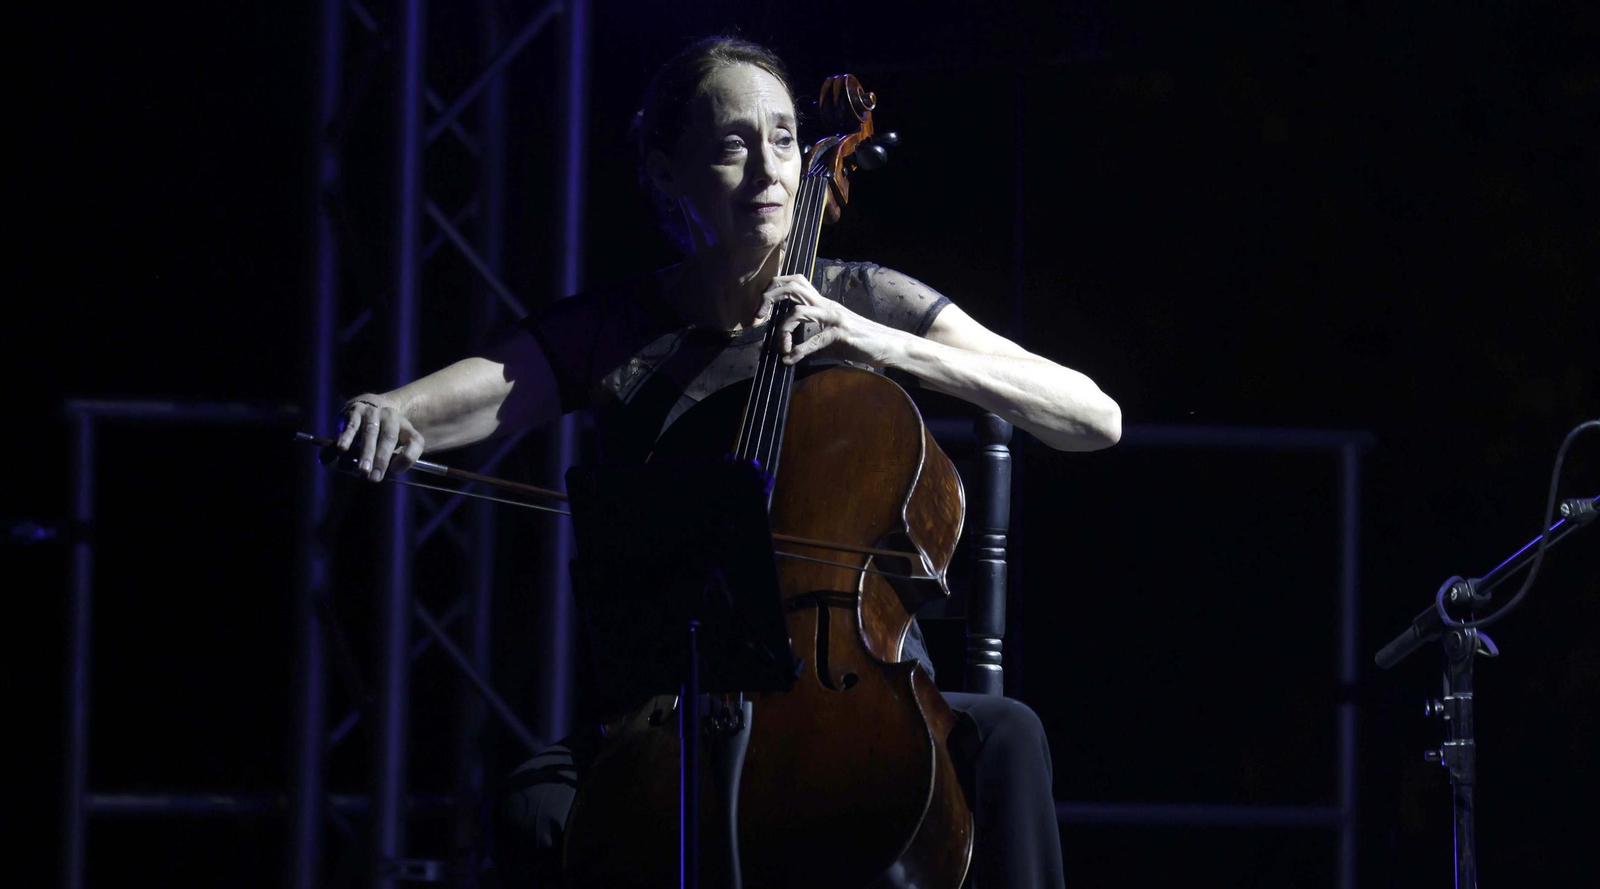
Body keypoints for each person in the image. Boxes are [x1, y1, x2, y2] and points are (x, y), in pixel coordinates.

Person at [333, 35, 1120, 889]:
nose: (770, 172)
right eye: (733, 145)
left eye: (784, 139)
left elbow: (1093, 415)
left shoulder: (860, 299)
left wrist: (881, 342)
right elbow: (488, 388)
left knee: (1009, 734)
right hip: (679, 700)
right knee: (535, 807)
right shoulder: (625, 329)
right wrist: (391, 412)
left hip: (863, 693)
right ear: (668, 171)